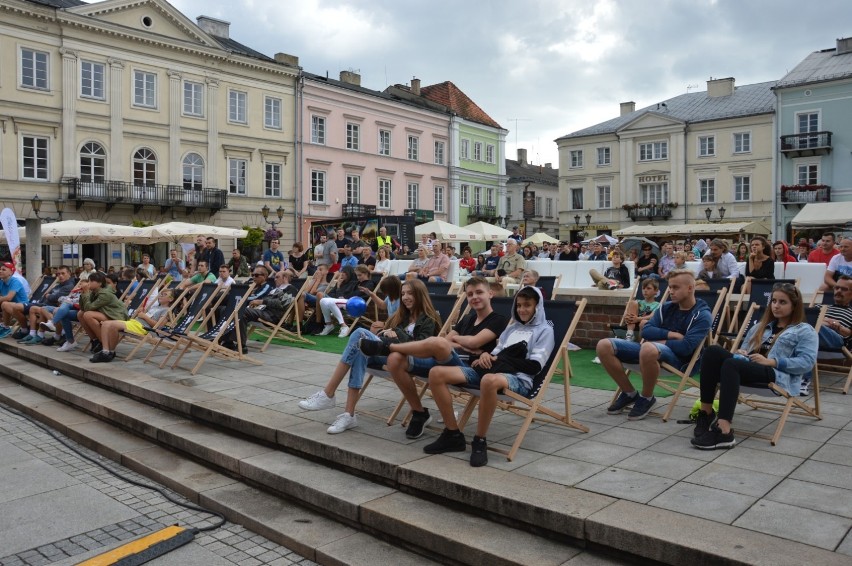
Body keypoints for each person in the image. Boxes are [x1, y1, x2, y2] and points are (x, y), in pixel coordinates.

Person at [359, 276, 508, 439]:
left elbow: (473, 341)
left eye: (479, 292)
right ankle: (418, 412)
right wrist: (463, 344)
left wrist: (458, 341)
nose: (474, 297)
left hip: (466, 368)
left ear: (490, 294)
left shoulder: (499, 320)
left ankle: (388, 347)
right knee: (395, 359)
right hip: (445, 360)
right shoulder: (467, 319)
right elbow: (449, 341)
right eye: (470, 294)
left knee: (437, 343)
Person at [423, 286, 554, 467]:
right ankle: (453, 434)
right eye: (519, 305)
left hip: (518, 379)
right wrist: (486, 355)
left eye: (528, 305)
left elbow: (534, 367)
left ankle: (480, 440)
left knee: (488, 380)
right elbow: (495, 353)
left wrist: (501, 359)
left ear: (537, 307)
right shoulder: (511, 328)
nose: (522, 310)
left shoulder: (545, 330)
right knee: (436, 373)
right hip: (492, 370)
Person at [298, 278, 441, 434]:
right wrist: (384, 333)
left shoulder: (429, 318)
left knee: (359, 335)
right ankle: (348, 414)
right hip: (391, 354)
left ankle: (329, 394)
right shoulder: (401, 316)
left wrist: (396, 333)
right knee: (360, 347)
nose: (405, 297)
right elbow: (386, 335)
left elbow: (421, 347)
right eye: (403, 293)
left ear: (420, 295)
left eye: (410, 293)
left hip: (412, 359)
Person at [693, 282, 818, 449]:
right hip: (748, 367)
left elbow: (806, 363)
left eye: (782, 302)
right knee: (712, 351)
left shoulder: (805, 331)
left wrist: (772, 361)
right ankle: (706, 413)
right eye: (774, 301)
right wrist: (741, 352)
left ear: (794, 306)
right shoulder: (761, 326)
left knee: (732, 364)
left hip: (776, 374)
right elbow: (744, 349)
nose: (776, 305)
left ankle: (724, 432)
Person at [599, 269, 712, 420]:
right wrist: (671, 335)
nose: (671, 291)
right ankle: (629, 393)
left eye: (676, 287)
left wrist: (659, 341)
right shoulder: (666, 307)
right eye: (670, 287)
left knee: (648, 347)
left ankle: (647, 398)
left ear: (690, 288)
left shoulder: (702, 315)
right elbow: (646, 331)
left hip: (681, 362)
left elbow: (686, 348)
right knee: (604, 345)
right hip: (651, 352)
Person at [222, 269, 300, 353]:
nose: (274, 279)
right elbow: (265, 299)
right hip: (262, 311)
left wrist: (262, 301)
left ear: (285, 278)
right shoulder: (275, 289)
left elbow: (282, 304)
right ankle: (227, 341)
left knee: (242, 312)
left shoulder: (290, 289)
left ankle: (242, 345)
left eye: (277, 277)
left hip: (271, 315)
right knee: (229, 309)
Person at [93, 288, 175, 363]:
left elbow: (158, 326)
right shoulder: (155, 307)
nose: (161, 295)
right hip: (135, 322)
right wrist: (140, 313)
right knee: (106, 324)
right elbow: (143, 316)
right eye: (161, 293)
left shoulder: (166, 310)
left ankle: (107, 352)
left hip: (142, 327)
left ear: (171, 299)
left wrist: (144, 316)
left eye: (164, 295)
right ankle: (107, 351)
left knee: (109, 324)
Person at [17, 266, 76, 345]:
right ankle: (33, 334)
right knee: (33, 309)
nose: (60, 276)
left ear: (69, 274)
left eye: (63, 273)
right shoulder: (59, 285)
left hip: (57, 307)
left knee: (41, 309)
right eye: (58, 274)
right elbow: (48, 295)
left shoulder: (69, 286)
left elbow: (55, 298)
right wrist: (49, 296)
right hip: (48, 305)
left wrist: (49, 296)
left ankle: (50, 331)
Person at [77, 272, 129, 360]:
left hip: (116, 316)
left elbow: (89, 308)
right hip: (107, 313)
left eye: (91, 281)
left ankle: (103, 343)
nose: (89, 283)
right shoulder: (95, 291)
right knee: (80, 314)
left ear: (100, 283)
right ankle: (95, 340)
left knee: (88, 315)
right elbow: (83, 308)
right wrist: (83, 294)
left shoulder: (105, 294)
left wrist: (86, 293)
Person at [317, 265, 370, 337]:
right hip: (350, 301)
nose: (358, 277)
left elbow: (355, 294)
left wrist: (341, 294)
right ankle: (329, 324)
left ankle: (344, 326)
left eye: (360, 275)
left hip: (358, 304)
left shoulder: (369, 283)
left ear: (366, 273)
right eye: (357, 275)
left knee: (332, 302)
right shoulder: (357, 283)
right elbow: (350, 294)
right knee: (323, 300)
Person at [0, 262, 30, 339]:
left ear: (11, 272)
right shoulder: (2, 282)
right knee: (4, 304)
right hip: (12, 305)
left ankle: (24, 329)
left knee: (5, 304)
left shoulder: (15, 281)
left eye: (4, 269)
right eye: (0, 269)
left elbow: (9, 297)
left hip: (24, 305)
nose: (0, 271)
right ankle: (5, 327)